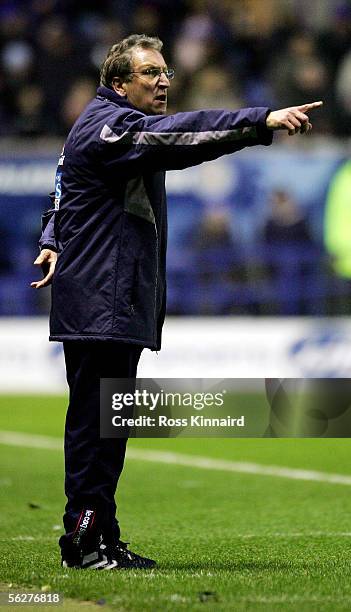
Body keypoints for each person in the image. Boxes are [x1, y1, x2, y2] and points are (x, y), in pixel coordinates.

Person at [31, 33, 322, 570]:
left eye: (166, 71)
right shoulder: (111, 127)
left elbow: (60, 183)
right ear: (118, 83)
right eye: (150, 73)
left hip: (107, 300)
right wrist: (260, 122)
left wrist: (51, 239)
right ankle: (86, 540)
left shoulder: (99, 126)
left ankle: (98, 537)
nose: (164, 80)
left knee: (104, 425)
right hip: (102, 302)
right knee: (98, 428)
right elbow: (179, 136)